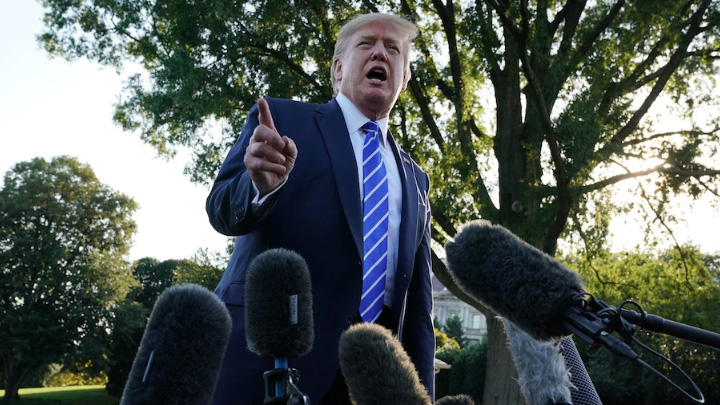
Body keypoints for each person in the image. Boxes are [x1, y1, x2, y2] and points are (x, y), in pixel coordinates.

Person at [206, 12, 434, 404]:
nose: (381, 53)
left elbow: (418, 310)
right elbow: (221, 209)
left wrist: (421, 395)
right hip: (265, 365)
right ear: (338, 68)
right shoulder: (282, 121)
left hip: (365, 386)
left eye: (393, 49)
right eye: (366, 43)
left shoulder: (417, 179)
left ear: (405, 77)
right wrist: (259, 187)